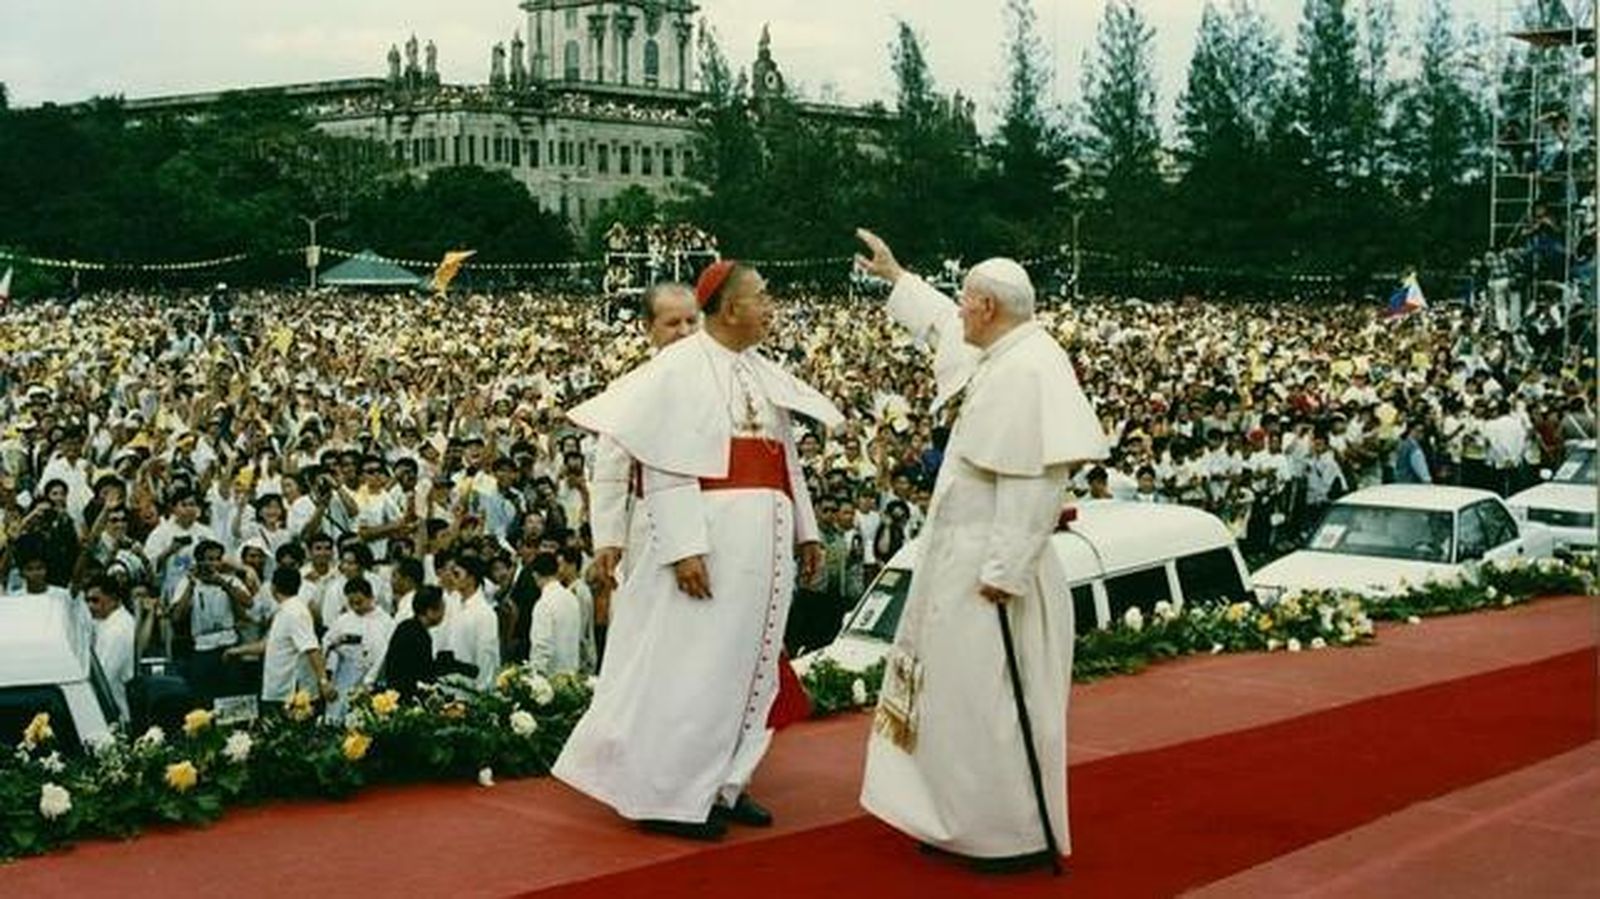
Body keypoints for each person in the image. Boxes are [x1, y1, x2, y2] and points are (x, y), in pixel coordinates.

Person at [553, 260, 841, 841]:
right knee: (692, 670)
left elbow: (785, 462)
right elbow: (665, 466)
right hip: (707, 542)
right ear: (731, 309)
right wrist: (684, 548)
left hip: (765, 540)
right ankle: (668, 794)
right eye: (762, 297)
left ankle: (725, 783)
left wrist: (807, 531)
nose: (771, 305)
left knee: (750, 667)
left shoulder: (762, 371)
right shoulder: (677, 371)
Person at [853, 229, 1108, 872]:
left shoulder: (1028, 368)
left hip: (996, 573)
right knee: (958, 698)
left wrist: (1003, 571)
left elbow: (1034, 481)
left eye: (967, 300)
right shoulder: (1002, 351)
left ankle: (1003, 834)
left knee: (993, 703)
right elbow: (942, 325)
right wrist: (897, 277)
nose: (959, 309)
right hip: (963, 560)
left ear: (988, 309)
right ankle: (957, 818)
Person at [589, 282, 700, 594]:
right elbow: (610, 475)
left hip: (715, 520)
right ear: (648, 327)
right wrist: (609, 539)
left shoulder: (723, 383)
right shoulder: (628, 389)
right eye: (672, 323)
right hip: (651, 525)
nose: (684, 331)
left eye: (691, 321)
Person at [236, 566, 335, 713]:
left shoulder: (296, 612)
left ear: (273, 587)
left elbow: (312, 648)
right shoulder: (284, 610)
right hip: (278, 689)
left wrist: (323, 682)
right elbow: (268, 645)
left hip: (293, 691)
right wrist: (236, 650)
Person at [321, 576, 395, 721]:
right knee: (337, 718)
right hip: (344, 675)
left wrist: (369, 680)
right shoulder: (343, 620)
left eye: (359, 602)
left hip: (373, 676)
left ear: (371, 598)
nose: (355, 607)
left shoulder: (386, 622)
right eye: (351, 603)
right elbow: (326, 644)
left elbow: (383, 654)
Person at [380, 585, 446, 700]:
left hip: (394, 693)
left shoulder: (405, 626)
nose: (444, 613)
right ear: (430, 611)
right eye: (442, 608)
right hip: (407, 698)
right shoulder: (419, 635)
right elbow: (424, 674)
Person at [86, 574, 136, 721]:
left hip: (117, 713)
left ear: (113, 599)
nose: (90, 606)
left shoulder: (118, 629)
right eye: (87, 600)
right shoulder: (106, 621)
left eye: (95, 600)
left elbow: (105, 678)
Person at [527, 551, 583, 676]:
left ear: (535, 575)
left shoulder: (543, 604)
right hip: (572, 672)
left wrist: (535, 676)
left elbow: (541, 646)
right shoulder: (571, 597)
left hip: (551, 677)